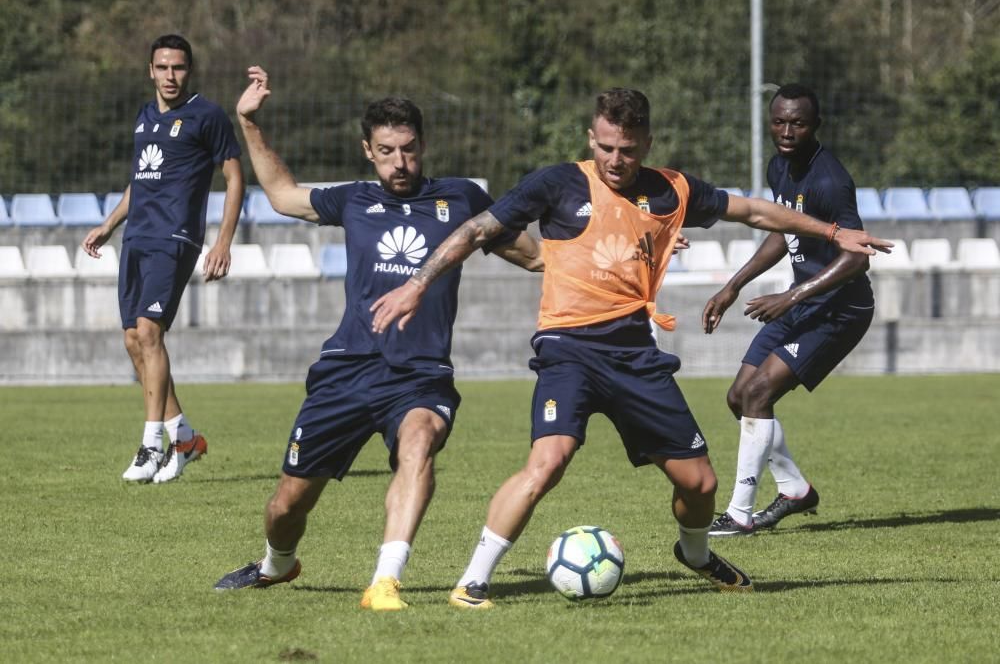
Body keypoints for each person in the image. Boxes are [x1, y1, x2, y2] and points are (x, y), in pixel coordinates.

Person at [370, 88, 891, 608]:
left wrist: (833, 231)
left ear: (646, 143)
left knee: (700, 483)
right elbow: (478, 229)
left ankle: (694, 554)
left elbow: (754, 212)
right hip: (567, 349)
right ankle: (473, 580)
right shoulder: (557, 183)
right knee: (548, 460)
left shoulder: (672, 190)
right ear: (590, 139)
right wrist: (419, 282)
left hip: (636, 357)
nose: (615, 161)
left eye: (627, 150)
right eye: (605, 148)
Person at [213, 67, 541, 610]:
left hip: (421, 374)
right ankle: (277, 563)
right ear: (368, 150)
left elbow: (535, 257)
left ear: (423, 146)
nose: (399, 162)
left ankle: (385, 582)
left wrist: (621, 250)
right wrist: (248, 122)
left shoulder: (461, 200)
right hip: (347, 369)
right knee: (285, 506)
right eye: (387, 151)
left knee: (418, 444)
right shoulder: (353, 201)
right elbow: (281, 194)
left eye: (408, 150)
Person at [703, 83, 874, 536]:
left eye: (797, 123)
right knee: (739, 397)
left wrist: (790, 297)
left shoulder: (830, 180)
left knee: (759, 395)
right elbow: (784, 232)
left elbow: (856, 255)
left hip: (840, 309)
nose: (786, 130)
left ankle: (739, 515)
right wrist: (733, 286)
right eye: (779, 121)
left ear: (815, 125)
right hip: (803, 303)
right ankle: (795, 490)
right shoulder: (779, 166)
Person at [81, 34, 244, 484]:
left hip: (175, 238)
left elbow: (234, 179)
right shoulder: (144, 117)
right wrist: (109, 224)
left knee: (150, 332)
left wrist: (223, 242)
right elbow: (140, 180)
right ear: (150, 70)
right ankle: (185, 438)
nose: (170, 76)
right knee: (133, 340)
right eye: (163, 67)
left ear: (188, 71)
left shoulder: (207, 116)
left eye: (178, 68)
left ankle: (152, 444)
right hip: (136, 237)